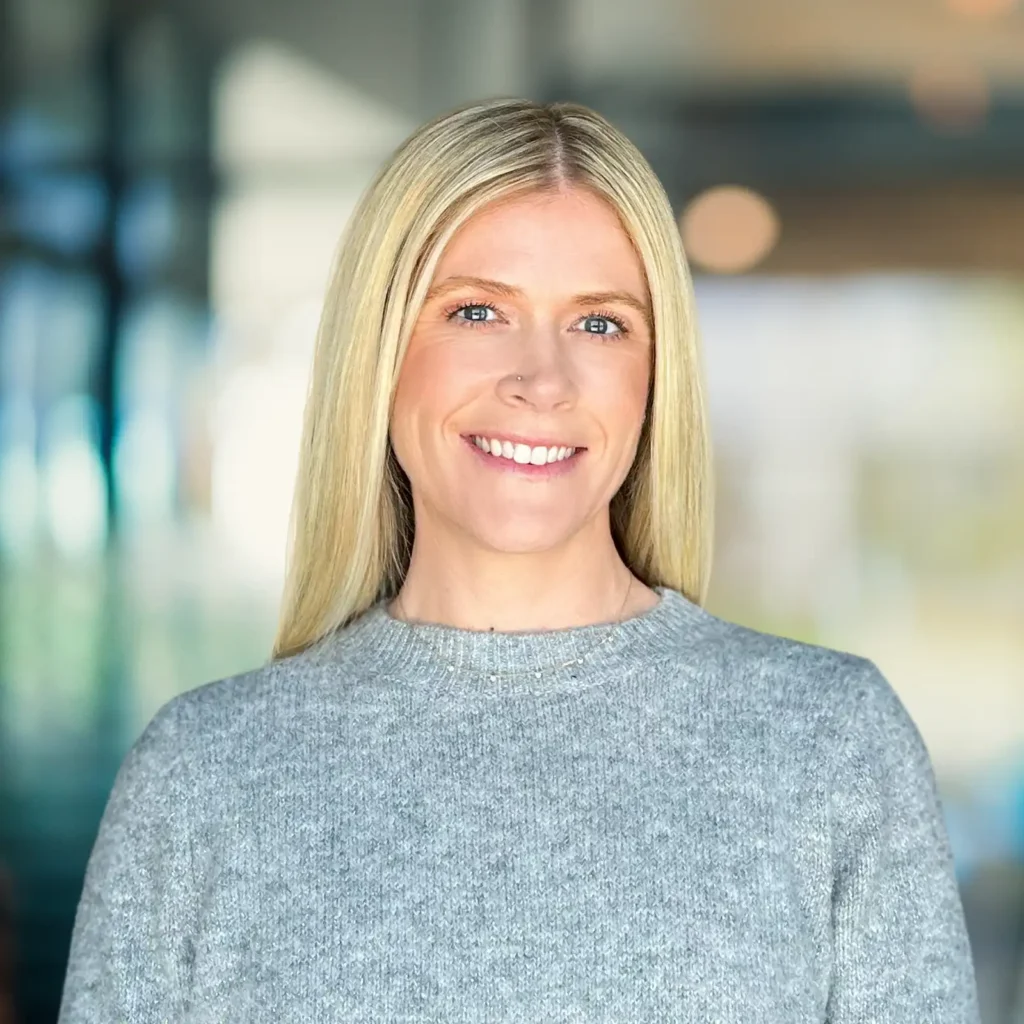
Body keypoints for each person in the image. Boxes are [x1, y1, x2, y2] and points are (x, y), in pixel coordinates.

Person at [57, 98, 981, 1022]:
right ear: (380, 353)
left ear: (654, 376)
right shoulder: (204, 774)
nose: (542, 380)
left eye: (600, 324)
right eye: (477, 311)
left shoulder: (828, 743)